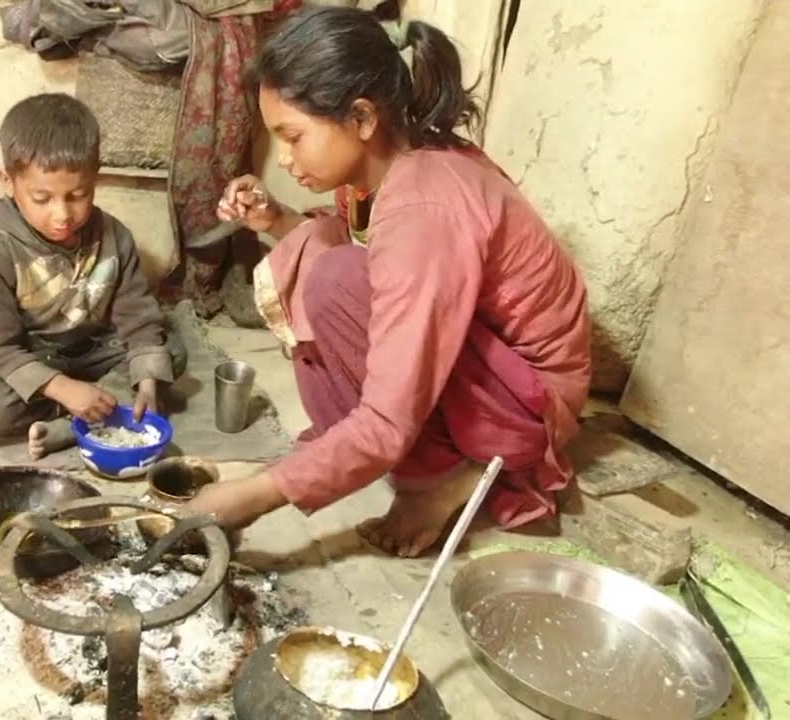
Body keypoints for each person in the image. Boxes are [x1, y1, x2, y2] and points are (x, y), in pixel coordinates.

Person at [184, 7, 592, 557]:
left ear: (361, 117)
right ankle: (386, 458)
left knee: (332, 278)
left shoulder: (426, 203)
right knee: (320, 252)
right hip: (490, 366)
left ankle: (446, 478)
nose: (283, 158)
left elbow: (386, 417)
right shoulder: (387, 169)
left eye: (293, 136)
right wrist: (276, 221)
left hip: (527, 406)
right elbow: (369, 251)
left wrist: (255, 497)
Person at [0, 93, 186, 458]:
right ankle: (89, 411)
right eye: (42, 199)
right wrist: (62, 389)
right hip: (25, 355)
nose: (62, 214)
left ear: (96, 179)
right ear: (7, 181)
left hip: (90, 350)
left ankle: (75, 423)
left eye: (78, 194)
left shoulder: (114, 236)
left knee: (167, 353)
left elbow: (137, 316)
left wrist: (148, 380)